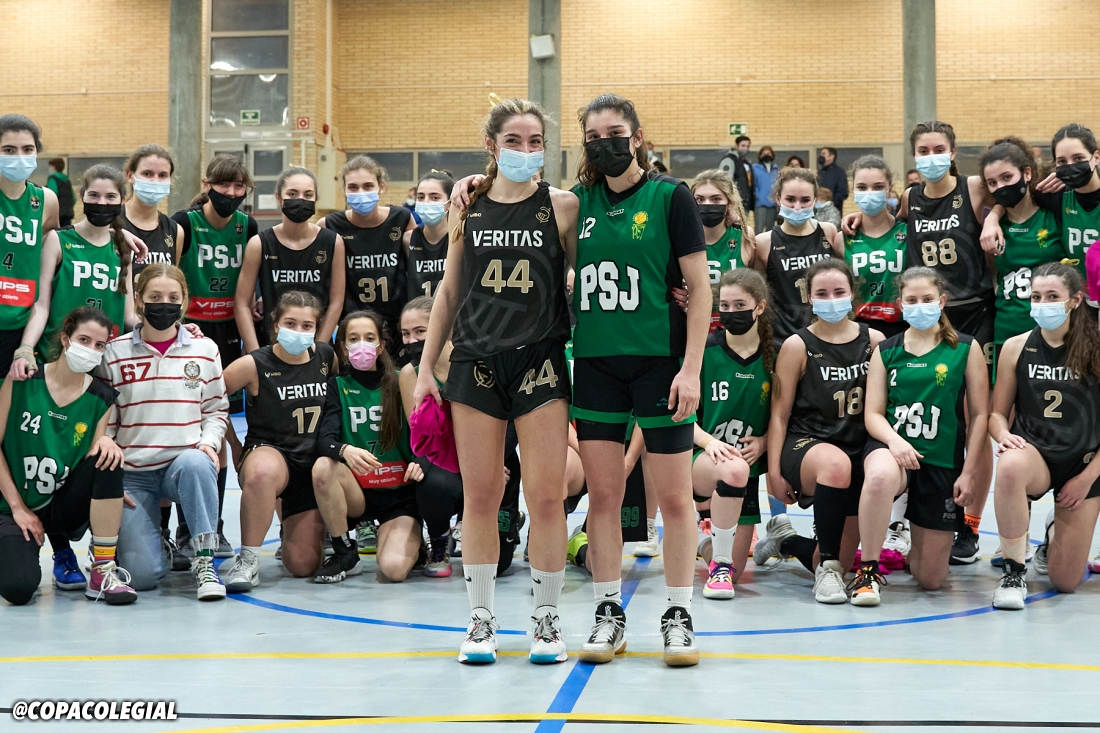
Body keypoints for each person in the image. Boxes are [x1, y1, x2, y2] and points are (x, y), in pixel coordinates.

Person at [414, 96, 577, 665]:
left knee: (546, 496)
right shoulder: (468, 205)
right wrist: (425, 370)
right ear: (492, 145)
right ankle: (480, 620)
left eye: (535, 142)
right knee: (480, 496)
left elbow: (587, 275)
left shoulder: (562, 207)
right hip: (476, 362)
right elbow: (448, 291)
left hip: (540, 362)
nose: (525, 151)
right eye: (513, 141)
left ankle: (546, 620)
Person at [566, 94, 709, 667]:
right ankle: (608, 612)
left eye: (615, 132)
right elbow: (514, 200)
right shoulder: (576, 202)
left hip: (659, 362)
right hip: (596, 363)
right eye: (593, 136)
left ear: (638, 136)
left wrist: (691, 368)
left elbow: (700, 289)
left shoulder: (671, 196)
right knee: (604, 497)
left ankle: (678, 614)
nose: (605, 143)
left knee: (674, 498)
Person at [844, 120, 997, 565]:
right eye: (923, 150)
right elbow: (888, 228)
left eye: (938, 148)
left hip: (971, 310)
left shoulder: (972, 187)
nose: (931, 156)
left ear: (953, 151)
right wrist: (858, 217)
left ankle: (970, 523)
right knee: (915, 411)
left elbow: (1005, 206)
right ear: (914, 157)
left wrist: (993, 217)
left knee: (972, 420)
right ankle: (901, 515)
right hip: (922, 312)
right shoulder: (911, 199)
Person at [856, 267, 989, 604]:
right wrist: (895, 441)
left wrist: (969, 472)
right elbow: (873, 414)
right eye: (911, 300)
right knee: (879, 476)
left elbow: (979, 416)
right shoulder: (887, 350)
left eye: (927, 299)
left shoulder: (966, 348)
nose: (920, 306)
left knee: (930, 579)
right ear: (901, 304)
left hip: (940, 458)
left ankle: (911, 545)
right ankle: (867, 570)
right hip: (893, 449)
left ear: (942, 301)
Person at [100, 264, 228, 600]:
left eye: (173, 297)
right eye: (155, 297)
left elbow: (216, 410)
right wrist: (110, 477)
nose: (164, 304)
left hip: (181, 465)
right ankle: (156, 543)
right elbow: (106, 421)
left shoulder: (205, 349)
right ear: (139, 300)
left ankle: (205, 561)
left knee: (198, 463)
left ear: (184, 301)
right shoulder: (114, 352)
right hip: (133, 474)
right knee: (142, 577)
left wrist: (209, 443)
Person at [764, 258, 882, 603]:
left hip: (856, 447)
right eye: (822, 293)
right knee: (835, 464)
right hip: (807, 444)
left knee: (839, 557)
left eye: (839, 292)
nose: (831, 299)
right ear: (810, 297)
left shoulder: (874, 340)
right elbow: (778, 415)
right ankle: (827, 571)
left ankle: (787, 542)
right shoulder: (797, 345)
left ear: (852, 294)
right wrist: (773, 473)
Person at [0, 306, 132, 606]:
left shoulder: (101, 397)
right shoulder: (23, 379)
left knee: (109, 456)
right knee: (18, 588)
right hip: (15, 504)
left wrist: (109, 480)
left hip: (60, 505)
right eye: (84, 340)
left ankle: (102, 570)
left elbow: (92, 460)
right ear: (65, 338)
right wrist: (18, 508)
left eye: (99, 345)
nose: (91, 350)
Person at [990, 263, 1100, 608]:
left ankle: (1053, 534)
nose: (1043, 304)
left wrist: (1085, 480)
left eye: (1052, 296)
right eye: (1036, 297)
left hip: (1084, 463)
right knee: (1009, 465)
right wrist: (1002, 435)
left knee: (1065, 582)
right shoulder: (1016, 346)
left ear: (1075, 300)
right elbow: (996, 414)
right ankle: (1013, 572)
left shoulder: (1095, 347)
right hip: (1035, 456)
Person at [172, 155, 259, 558]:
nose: (231, 193)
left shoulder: (248, 227)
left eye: (239, 186)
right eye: (224, 185)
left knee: (217, 428)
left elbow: (250, 284)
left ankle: (213, 527)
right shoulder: (185, 223)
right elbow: (170, 277)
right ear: (207, 184)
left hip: (230, 333)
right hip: (190, 330)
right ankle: (183, 530)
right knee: (188, 428)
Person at [221, 290, 336, 591]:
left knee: (302, 565)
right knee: (262, 473)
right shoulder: (253, 364)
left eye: (307, 326)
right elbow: (210, 400)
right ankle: (248, 560)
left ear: (316, 328)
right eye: (291, 323)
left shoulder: (326, 357)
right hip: (271, 453)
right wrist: (234, 444)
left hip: (312, 464)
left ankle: (290, 520)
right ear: (275, 326)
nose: (298, 331)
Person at [313, 309, 425, 583]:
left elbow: (423, 435)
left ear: (381, 345)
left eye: (369, 338)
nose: (361, 344)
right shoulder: (337, 386)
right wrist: (344, 450)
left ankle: (414, 543)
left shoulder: (401, 381)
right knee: (323, 468)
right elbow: (324, 440)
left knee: (393, 570)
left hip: (399, 495)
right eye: (353, 339)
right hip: (359, 494)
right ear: (343, 347)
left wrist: (418, 460)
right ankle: (345, 552)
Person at [12, 164, 135, 374]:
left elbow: (129, 316)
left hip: (102, 357)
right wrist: (26, 348)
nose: (101, 202)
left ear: (122, 200)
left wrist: (173, 329)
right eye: (94, 195)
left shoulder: (123, 246)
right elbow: (41, 306)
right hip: (56, 352)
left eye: (110, 197)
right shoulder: (58, 240)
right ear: (81, 196)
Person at [694, 269, 772, 599]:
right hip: (701, 457)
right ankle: (720, 565)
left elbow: (785, 416)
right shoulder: (703, 350)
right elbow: (679, 415)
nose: (730, 312)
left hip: (747, 470)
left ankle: (704, 542)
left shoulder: (776, 355)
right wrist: (709, 442)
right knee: (734, 467)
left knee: (740, 573)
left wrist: (765, 441)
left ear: (759, 307)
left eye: (740, 305)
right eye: (724, 305)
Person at [235, 166, 345, 352]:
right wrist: (256, 355)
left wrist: (319, 349)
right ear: (278, 198)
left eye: (308, 195)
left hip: (314, 343)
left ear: (315, 199)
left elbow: (336, 302)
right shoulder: (259, 243)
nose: (300, 200)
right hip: (269, 344)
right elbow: (242, 304)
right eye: (292, 194)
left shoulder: (333, 242)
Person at [982, 139, 1067, 377]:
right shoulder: (992, 229)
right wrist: (992, 217)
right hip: (1007, 327)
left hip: (1053, 329)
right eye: (992, 182)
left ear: (1027, 173)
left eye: (1007, 177)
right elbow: (993, 272)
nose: (1001, 187)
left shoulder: (1054, 215)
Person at [321, 156, 414, 341]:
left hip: (397, 324)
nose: (361, 192)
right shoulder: (329, 225)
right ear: (344, 189)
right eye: (353, 187)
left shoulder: (401, 219)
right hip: (352, 326)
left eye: (368, 186)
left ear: (381, 186)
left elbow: (417, 269)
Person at [754, 167, 843, 348]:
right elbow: (760, 295)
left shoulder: (828, 231)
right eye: (790, 199)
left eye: (805, 200)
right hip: (782, 337)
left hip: (826, 332)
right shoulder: (764, 242)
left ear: (815, 200)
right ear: (778, 199)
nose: (797, 207)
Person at [0, 115, 61, 376]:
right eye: (8, 150)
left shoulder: (46, 200)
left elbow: (58, 242)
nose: (19, 157)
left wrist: (115, 233)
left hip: (23, 324)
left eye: (27, 149)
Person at [839, 155, 907, 340]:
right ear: (853, 190)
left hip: (902, 327)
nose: (870, 193)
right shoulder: (842, 239)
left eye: (878, 187)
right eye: (862, 187)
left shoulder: (908, 232)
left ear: (890, 189)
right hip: (859, 329)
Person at [123, 145, 184, 277]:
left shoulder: (175, 231)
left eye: (162, 175)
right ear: (130, 175)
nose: (155, 181)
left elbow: (172, 280)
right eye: (147, 174)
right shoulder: (110, 223)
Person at [405, 170, 454, 300]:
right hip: (416, 310)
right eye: (421, 197)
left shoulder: (460, 239)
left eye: (435, 197)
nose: (426, 202)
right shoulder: (408, 240)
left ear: (449, 203)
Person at [719, 135, 753, 208]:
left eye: (748, 146)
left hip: (744, 202)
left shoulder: (745, 162)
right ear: (736, 146)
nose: (745, 149)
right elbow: (725, 182)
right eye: (743, 146)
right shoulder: (729, 160)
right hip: (734, 203)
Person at [751, 146, 779, 232]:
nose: (766, 155)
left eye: (769, 153)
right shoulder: (755, 168)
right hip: (760, 204)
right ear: (760, 156)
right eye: (764, 153)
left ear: (772, 155)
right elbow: (753, 184)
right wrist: (757, 197)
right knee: (759, 229)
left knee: (770, 230)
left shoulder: (776, 169)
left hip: (773, 204)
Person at [817, 147, 849, 214]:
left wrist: (829, 204)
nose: (821, 156)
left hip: (833, 212)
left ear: (831, 156)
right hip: (818, 212)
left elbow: (843, 193)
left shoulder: (839, 173)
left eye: (824, 154)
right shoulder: (819, 173)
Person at [46, 158, 74, 228]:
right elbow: (74, 198)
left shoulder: (52, 179)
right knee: (66, 232)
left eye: (50, 166)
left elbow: (52, 195)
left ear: (54, 167)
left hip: (56, 213)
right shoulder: (67, 180)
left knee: (56, 233)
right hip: (68, 212)